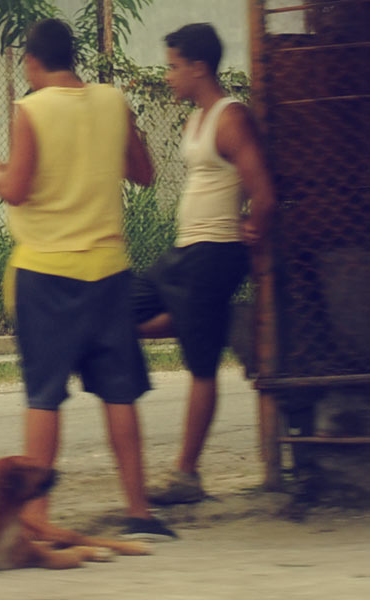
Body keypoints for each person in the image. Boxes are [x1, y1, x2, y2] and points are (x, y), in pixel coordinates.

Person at [0, 18, 175, 541]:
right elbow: (143, 172)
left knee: (45, 394)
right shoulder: (112, 101)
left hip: (45, 271)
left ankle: (37, 515)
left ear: (32, 61)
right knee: (119, 392)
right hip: (109, 269)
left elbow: (17, 190)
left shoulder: (32, 109)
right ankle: (139, 509)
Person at [132, 23, 275, 505]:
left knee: (201, 367)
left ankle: (186, 475)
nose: (168, 76)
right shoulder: (196, 118)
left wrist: (253, 223)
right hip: (184, 252)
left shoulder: (230, 118)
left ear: (198, 66)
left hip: (215, 252)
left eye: (173, 67)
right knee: (118, 308)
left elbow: (264, 191)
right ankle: (216, 322)